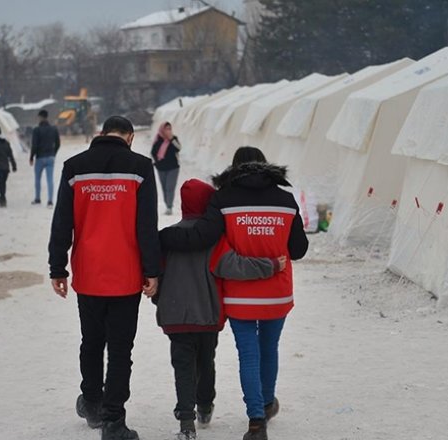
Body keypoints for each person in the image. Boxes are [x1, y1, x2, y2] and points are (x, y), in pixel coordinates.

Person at [159, 146, 309, 440]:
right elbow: (298, 249)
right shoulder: (285, 200)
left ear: (235, 168)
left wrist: (162, 237)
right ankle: (266, 403)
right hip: (277, 293)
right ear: (266, 165)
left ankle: (256, 423)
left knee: (248, 355)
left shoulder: (223, 200)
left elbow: (203, 237)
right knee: (269, 349)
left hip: (238, 294)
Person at [48, 115, 160, 440]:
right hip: (126, 274)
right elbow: (146, 225)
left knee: (92, 341)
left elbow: (62, 222)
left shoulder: (74, 167)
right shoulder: (140, 167)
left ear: (100, 134)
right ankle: (114, 420)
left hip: (88, 272)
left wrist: (58, 267)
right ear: (130, 138)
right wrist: (152, 270)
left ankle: (93, 402)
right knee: (121, 348)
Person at [30, 109, 61, 206]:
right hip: (50, 157)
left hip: (40, 157)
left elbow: (34, 145)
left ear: (40, 117)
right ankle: (50, 200)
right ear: (47, 117)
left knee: (37, 179)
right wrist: (53, 153)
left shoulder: (36, 130)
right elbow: (58, 143)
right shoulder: (54, 129)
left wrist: (31, 157)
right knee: (50, 179)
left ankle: (38, 198)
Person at [151, 122, 181, 215]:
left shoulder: (173, 139)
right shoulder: (158, 139)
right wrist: (157, 161)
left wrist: (171, 139)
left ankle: (169, 206)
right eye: (166, 128)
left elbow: (178, 148)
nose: (168, 131)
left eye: (169, 128)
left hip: (173, 167)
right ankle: (166, 203)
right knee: (164, 187)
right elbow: (153, 152)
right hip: (161, 168)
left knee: (170, 187)